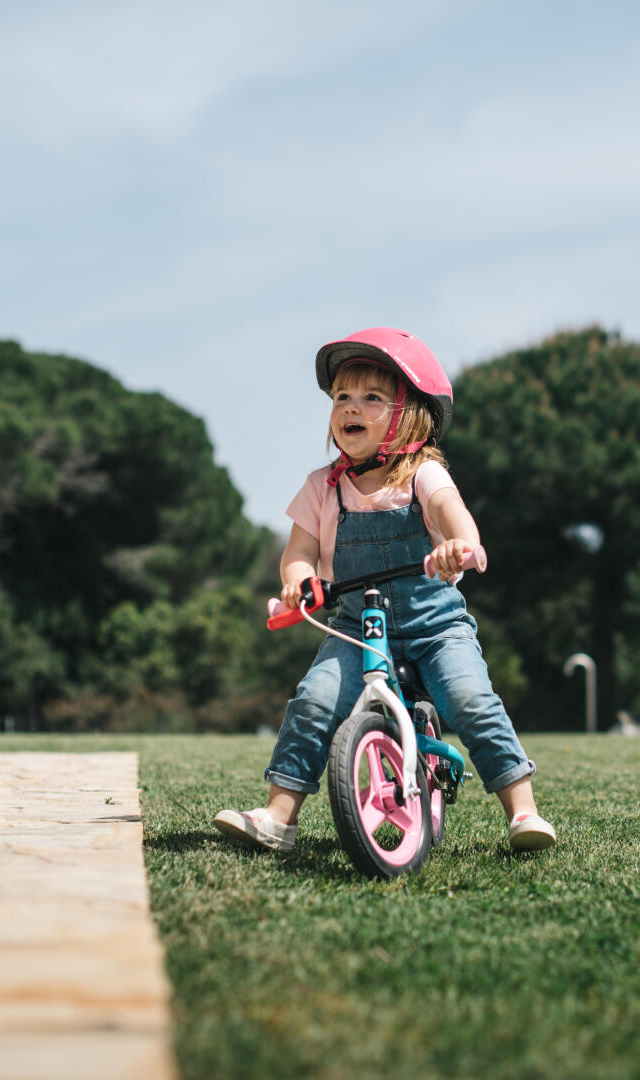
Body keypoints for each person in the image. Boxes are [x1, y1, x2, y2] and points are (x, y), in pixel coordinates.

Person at [214, 327, 555, 854]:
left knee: (470, 700)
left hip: (435, 627)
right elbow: (298, 552)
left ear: (410, 414)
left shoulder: (423, 474)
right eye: (342, 397)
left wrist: (458, 546)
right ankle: (279, 816)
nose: (351, 407)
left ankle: (522, 810)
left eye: (372, 397)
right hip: (354, 627)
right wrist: (297, 579)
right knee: (314, 700)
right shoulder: (321, 486)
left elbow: (455, 519)